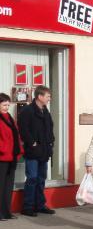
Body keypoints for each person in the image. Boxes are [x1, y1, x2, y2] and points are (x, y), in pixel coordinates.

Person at [17, 85, 55, 216]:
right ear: (40, 96)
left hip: (44, 151)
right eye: (48, 96)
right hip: (33, 151)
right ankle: (27, 207)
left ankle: (40, 205)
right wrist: (32, 143)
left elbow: (50, 128)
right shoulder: (27, 111)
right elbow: (23, 129)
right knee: (32, 178)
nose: (50, 98)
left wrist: (51, 142)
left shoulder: (45, 111)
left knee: (41, 178)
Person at [0, 93, 22, 220]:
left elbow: (16, 135)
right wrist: (3, 149)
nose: (6, 107)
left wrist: (19, 150)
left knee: (8, 186)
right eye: (4, 105)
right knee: (1, 186)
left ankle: (6, 211)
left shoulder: (9, 117)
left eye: (8, 105)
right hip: (2, 157)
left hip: (11, 157)